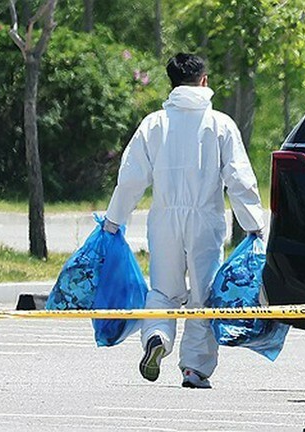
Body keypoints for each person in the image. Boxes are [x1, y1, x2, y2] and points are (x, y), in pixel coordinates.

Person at [104, 53, 265, 389]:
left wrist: (113, 221)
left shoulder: (154, 124)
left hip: (163, 218)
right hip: (206, 218)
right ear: (204, 81)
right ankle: (194, 368)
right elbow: (239, 178)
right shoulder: (220, 124)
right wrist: (254, 225)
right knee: (203, 295)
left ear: (171, 83)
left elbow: (131, 178)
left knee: (163, 289)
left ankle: (158, 337)